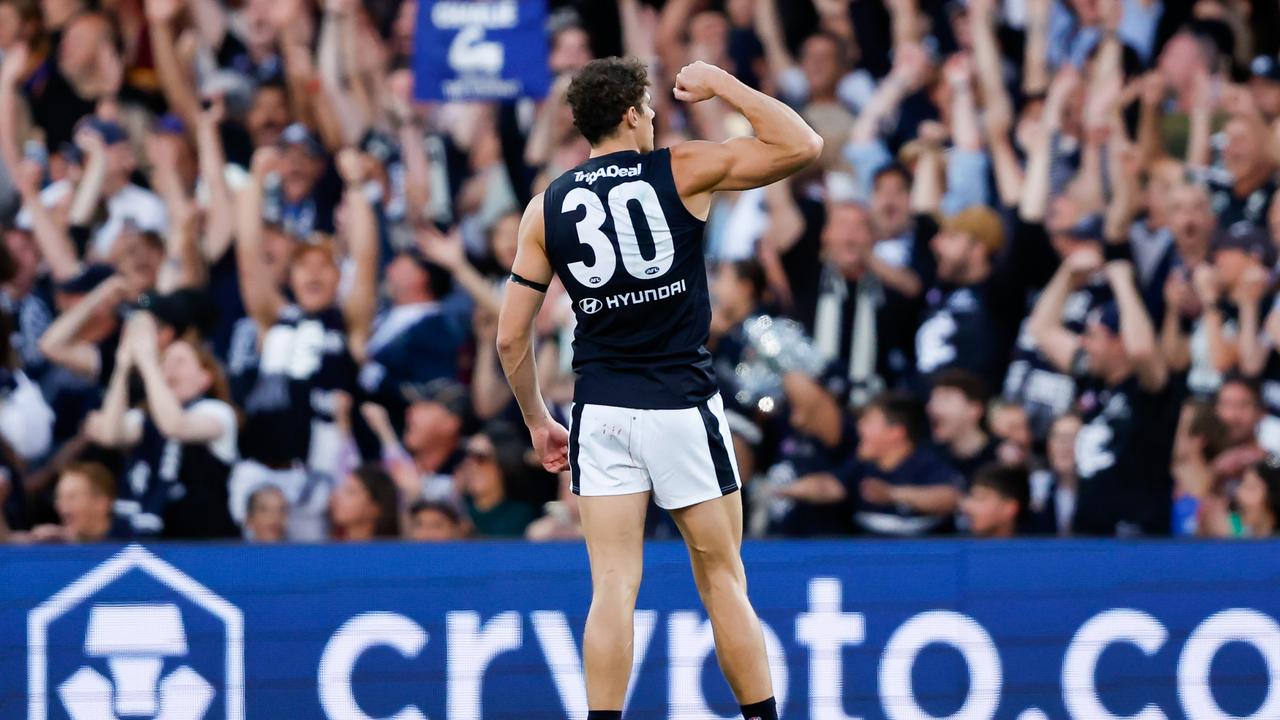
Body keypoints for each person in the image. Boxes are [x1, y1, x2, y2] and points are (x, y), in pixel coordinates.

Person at [496, 57, 821, 720]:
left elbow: (510, 338)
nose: (653, 116)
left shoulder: (547, 206)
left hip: (601, 409)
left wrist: (537, 421)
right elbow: (802, 144)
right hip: (681, 401)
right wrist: (724, 83)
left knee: (613, 587)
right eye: (647, 106)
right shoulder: (684, 168)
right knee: (723, 579)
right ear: (629, 114)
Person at [1028, 241, 1174, 536]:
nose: (1084, 343)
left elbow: (1143, 350)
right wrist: (1067, 275)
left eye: (1093, 336)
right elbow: (1042, 330)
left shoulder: (1147, 388)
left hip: (1136, 536)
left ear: (1119, 342)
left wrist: (1122, 283)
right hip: (1089, 532)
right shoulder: (1092, 379)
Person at [84, 313, 239, 538]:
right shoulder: (145, 417)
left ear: (205, 378)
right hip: (148, 540)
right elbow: (110, 434)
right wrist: (123, 366)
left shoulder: (218, 412)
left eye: (181, 362)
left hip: (203, 546)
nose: (170, 370)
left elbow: (176, 426)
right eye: (165, 362)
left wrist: (148, 362)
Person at [779, 392, 962, 536]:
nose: (860, 427)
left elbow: (949, 499)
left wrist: (893, 495)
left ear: (895, 432)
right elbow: (829, 486)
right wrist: (783, 490)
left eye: (868, 421)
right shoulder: (861, 466)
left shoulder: (927, 463)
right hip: (868, 567)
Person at [927, 369, 998, 485]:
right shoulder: (931, 457)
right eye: (932, 400)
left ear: (974, 410)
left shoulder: (999, 457)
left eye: (945, 400)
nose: (932, 407)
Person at [329, 464, 400, 541]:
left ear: (375, 508)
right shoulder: (328, 548)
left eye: (351, 492)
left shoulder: (394, 550)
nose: (337, 497)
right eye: (340, 490)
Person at [962, 464, 1030, 538]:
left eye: (980, 498)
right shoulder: (959, 545)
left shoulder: (1035, 546)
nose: (967, 506)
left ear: (1009, 508)